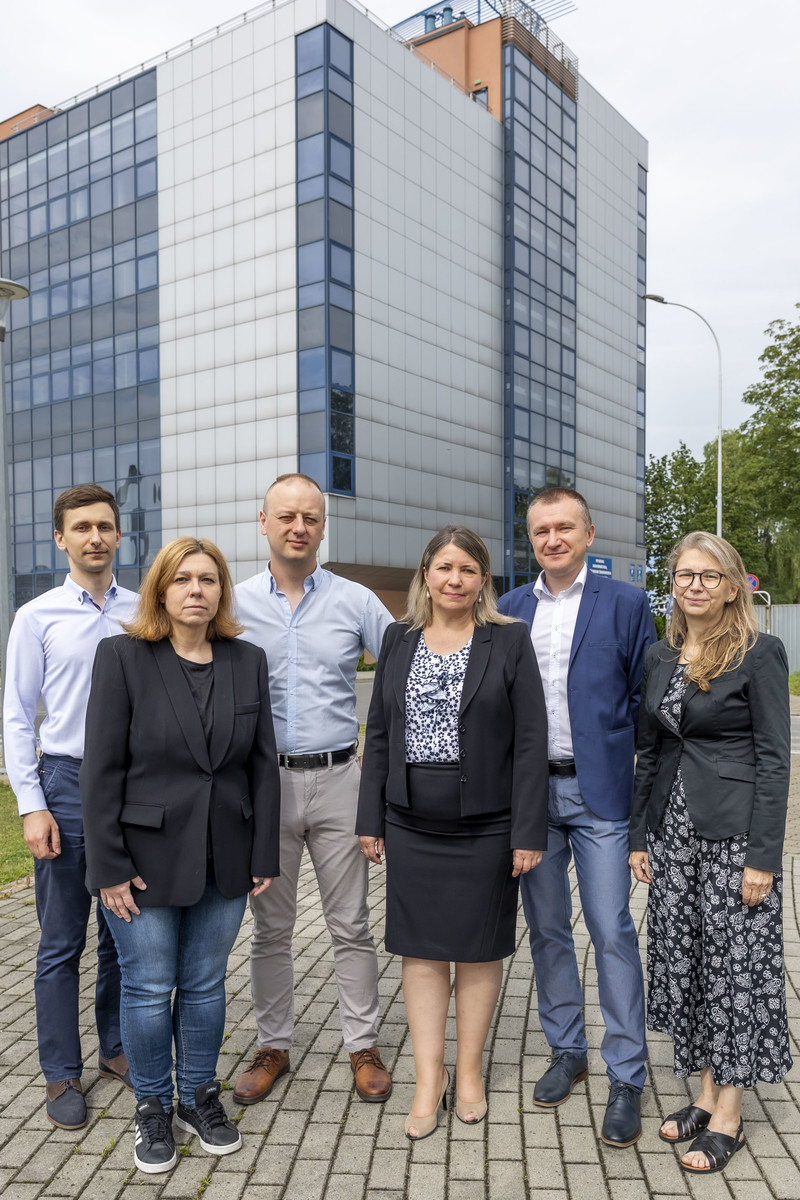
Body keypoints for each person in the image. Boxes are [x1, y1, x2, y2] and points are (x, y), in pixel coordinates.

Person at [80, 537, 280, 1174]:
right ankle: (152, 1106)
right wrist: (107, 866)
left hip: (227, 854)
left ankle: (197, 1097)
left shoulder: (247, 660)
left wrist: (263, 851)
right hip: (142, 860)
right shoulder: (123, 657)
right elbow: (100, 770)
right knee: (146, 986)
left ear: (222, 591)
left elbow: (261, 766)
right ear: (160, 591)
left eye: (208, 579)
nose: (197, 590)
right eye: (183, 579)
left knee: (204, 984)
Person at [357, 525, 549, 1139]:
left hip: (487, 826)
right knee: (420, 952)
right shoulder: (398, 638)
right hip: (410, 822)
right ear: (426, 574)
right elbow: (379, 733)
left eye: (467, 569)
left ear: (483, 579)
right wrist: (369, 818)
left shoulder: (508, 640)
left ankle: (468, 1073)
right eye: (444, 567)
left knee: (478, 950)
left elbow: (530, 740)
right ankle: (428, 1079)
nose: (454, 580)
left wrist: (528, 830)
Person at [498, 487, 656, 1147]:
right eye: (541, 530)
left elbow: (645, 702)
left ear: (589, 534)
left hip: (601, 798)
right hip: (533, 798)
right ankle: (567, 1050)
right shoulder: (509, 609)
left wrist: (643, 803)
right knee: (547, 931)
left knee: (611, 929)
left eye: (564, 527)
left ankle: (627, 1074)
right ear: (530, 538)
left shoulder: (626, 603)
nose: (553, 539)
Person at [629, 531, 791, 1175]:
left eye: (709, 575)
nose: (695, 585)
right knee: (689, 961)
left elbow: (775, 760)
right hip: (672, 832)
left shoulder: (760, 653)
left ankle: (730, 1113)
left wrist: (764, 856)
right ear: (672, 584)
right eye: (684, 574)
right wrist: (638, 834)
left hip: (732, 836)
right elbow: (650, 750)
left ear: (731, 587)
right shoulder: (660, 654)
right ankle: (702, 1094)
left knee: (733, 967)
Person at [233, 474, 395, 1107]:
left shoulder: (357, 601)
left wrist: (384, 759)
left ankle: (363, 1044)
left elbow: (405, 671)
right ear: (264, 522)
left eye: (310, 517)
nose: (298, 527)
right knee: (270, 929)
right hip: (264, 784)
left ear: (323, 526)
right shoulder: (234, 604)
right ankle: (273, 1045)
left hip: (339, 781)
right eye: (286, 516)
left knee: (350, 924)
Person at [3, 484, 139, 1130]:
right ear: (60, 538)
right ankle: (60, 1070)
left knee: (123, 931)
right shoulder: (37, 617)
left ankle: (115, 1049)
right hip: (65, 782)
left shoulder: (142, 612)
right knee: (62, 941)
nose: (95, 537)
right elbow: (16, 715)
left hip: (132, 790)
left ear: (119, 535)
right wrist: (31, 804)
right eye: (81, 527)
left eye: (104, 526)